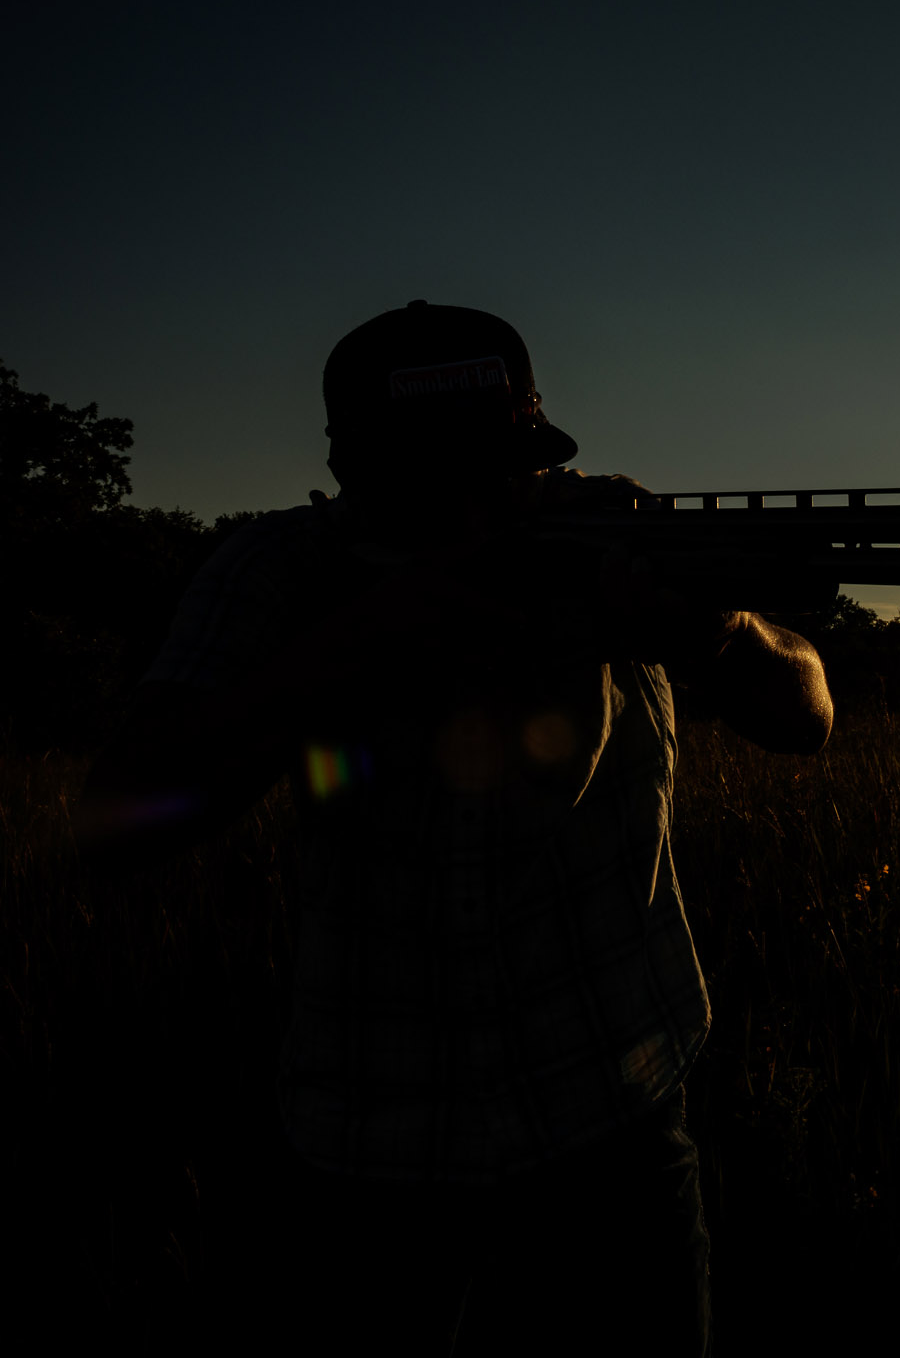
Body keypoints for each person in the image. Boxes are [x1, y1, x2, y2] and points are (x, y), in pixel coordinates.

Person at [82, 300, 832, 1354]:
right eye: (431, 480)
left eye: (502, 465)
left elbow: (805, 712)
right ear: (352, 471)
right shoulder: (278, 569)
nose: (482, 505)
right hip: (372, 1133)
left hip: (618, 1107)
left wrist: (706, 629)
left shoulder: (605, 529)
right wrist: (349, 652)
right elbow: (116, 817)